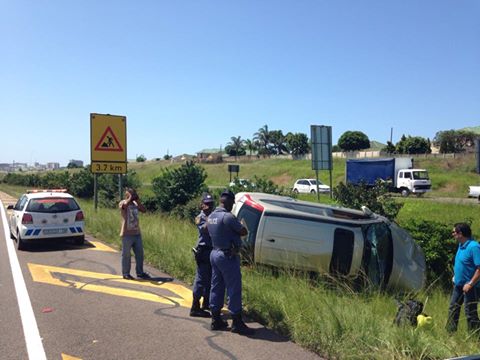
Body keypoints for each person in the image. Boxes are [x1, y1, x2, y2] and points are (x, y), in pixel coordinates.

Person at [207, 190, 254, 335]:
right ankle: (237, 322)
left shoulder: (211, 216)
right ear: (228, 202)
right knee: (233, 287)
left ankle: (216, 319)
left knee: (216, 286)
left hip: (214, 253)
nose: (233, 205)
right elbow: (243, 231)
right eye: (232, 202)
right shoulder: (228, 217)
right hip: (227, 255)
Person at [446, 223, 480, 333]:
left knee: (470, 312)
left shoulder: (474, 247)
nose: (453, 234)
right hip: (458, 285)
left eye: (454, 232)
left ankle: (474, 335)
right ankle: (450, 333)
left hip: (471, 287)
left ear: (461, 233)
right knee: (453, 308)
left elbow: (479, 268)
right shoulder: (461, 246)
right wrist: (456, 276)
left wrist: (470, 283)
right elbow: (462, 263)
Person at [190, 193, 215, 318]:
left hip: (212, 250)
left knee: (210, 279)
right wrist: (212, 218)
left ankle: (207, 302)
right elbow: (204, 229)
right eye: (207, 204)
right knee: (201, 279)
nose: (209, 207)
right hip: (203, 250)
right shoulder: (200, 217)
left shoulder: (213, 216)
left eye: (211, 204)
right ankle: (195, 307)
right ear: (202, 205)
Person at [119, 188, 151, 280]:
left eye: (133, 194)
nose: (132, 196)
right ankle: (126, 273)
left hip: (137, 233)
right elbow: (124, 206)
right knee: (126, 255)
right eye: (130, 194)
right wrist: (130, 198)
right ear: (126, 195)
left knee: (140, 254)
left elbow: (144, 210)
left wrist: (137, 201)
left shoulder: (136, 204)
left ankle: (140, 272)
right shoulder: (122, 202)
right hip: (126, 233)